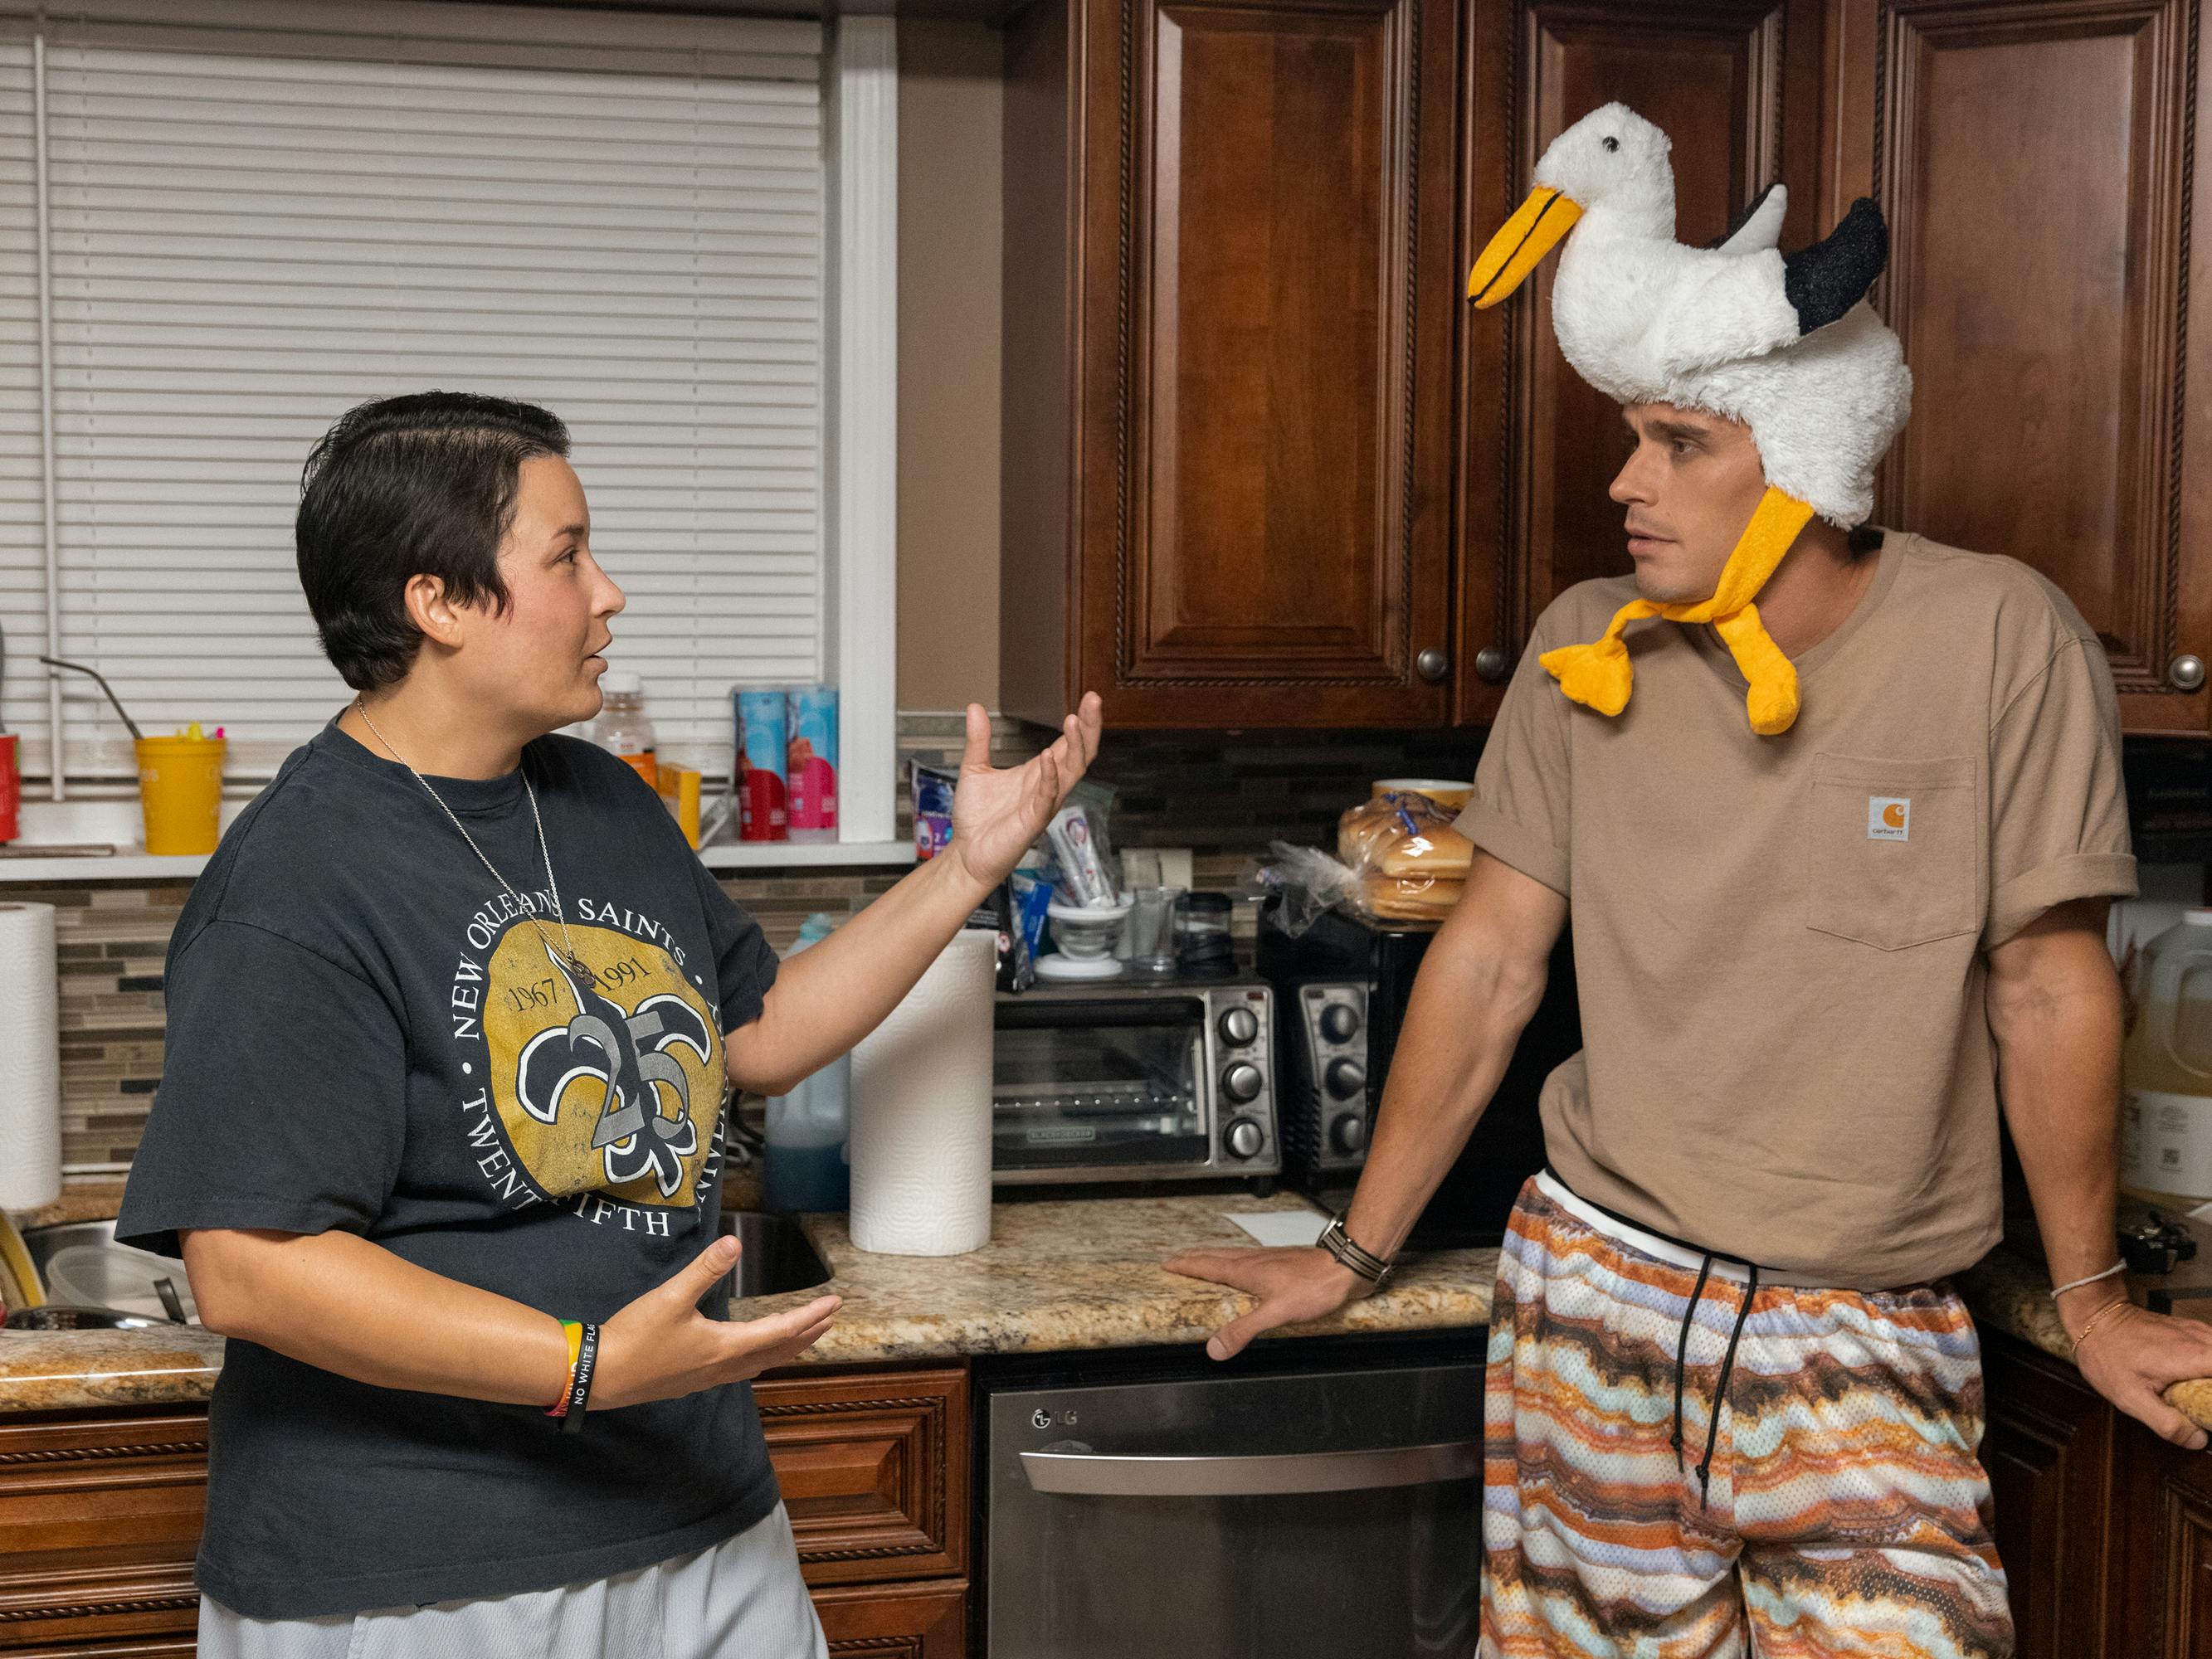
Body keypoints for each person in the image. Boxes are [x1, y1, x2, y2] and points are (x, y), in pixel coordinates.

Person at [1168, 104, 2212, 1657]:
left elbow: (2046, 980)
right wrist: (1347, 1253)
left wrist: (2090, 1299)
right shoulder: (1582, 649)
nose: (1624, 486)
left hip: (1865, 1332)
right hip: (1593, 1294)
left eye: (1678, 445)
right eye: (1632, 440)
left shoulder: (1999, 635)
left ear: (1795, 464)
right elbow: (1490, 961)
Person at [115, 391, 1102, 1655]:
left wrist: (965, 868)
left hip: (697, 1511)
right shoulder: (296, 884)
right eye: (567, 556)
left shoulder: (598, 800)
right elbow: (249, 1269)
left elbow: (758, 1030)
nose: (611, 593)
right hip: (426, 1573)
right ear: (444, 602)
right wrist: (580, 1364)